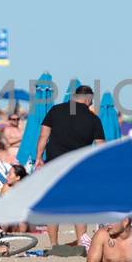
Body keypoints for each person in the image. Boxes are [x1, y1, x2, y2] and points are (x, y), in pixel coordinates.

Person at [35, 85, 107, 246]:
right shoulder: (93, 119)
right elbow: (101, 145)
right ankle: (82, 242)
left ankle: (54, 245)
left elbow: (43, 136)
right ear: (88, 99)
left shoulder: (55, 110)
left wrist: (39, 157)